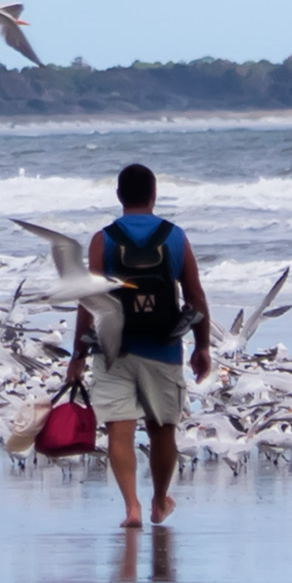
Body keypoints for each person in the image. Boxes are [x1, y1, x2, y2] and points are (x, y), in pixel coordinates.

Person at [67, 160, 213, 530]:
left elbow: (89, 299)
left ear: (119, 196)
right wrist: (202, 347)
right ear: (154, 195)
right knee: (163, 429)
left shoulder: (104, 239)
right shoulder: (175, 236)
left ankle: (131, 506)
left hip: (113, 350)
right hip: (163, 349)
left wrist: (78, 356)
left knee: (120, 427)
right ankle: (159, 501)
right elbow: (195, 297)